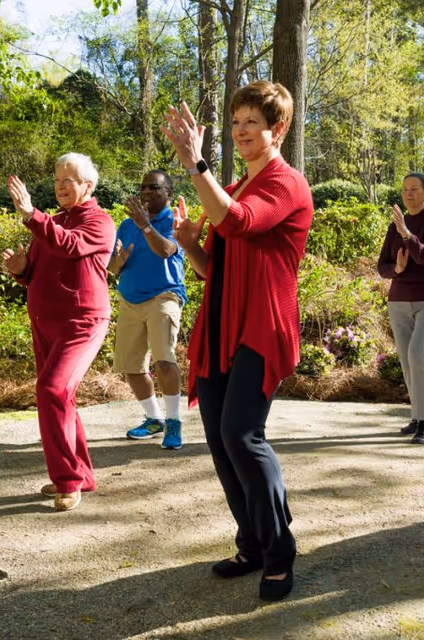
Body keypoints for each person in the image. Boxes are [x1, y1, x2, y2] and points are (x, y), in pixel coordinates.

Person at [160, 81, 313, 601]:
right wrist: (188, 245)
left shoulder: (286, 183)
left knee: (243, 436)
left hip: (261, 325)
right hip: (221, 323)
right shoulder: (236, 185)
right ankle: (251, 544)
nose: (242, 129)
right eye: (237, 121)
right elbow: (214, 271)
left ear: (278, 128)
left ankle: (278, 553)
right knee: (222, 442)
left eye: (253, 121)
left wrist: (197, 167)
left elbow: (241, 223)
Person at [1, 153, 116, 512]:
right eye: (57, 180)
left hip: (82, 323)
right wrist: (21, 271)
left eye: (69, 179)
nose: (61, 185)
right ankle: (81, 474)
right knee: (60, 397)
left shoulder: (100, 222)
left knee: (50, 389)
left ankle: (68, 481)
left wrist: (30, 214)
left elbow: (69, 245)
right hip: (45, 323)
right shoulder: (51, 222)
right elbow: (40, 270)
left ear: (88, 185)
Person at [108, 170, 187, 450]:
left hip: (164, 296)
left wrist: (145, 226)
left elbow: (166, 250)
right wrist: (117, 261)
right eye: (143, 187)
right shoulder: (127, 225)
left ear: (168, 192)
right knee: (131, 367)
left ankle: (174, 421)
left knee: (164, 360)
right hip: (130, 299)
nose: (147, 192)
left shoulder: (175, 221)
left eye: (155, 187)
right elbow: (113, 267)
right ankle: (154, 419)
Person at [377, 172, 424, 444]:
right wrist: (395, 268)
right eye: (405, 189)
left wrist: (407, 234)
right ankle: (418, 416)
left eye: (415, 189)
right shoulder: (395, 225)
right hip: (399, 300)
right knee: (407, 361)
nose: (408, 194)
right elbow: (382, 265)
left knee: (419, 354)